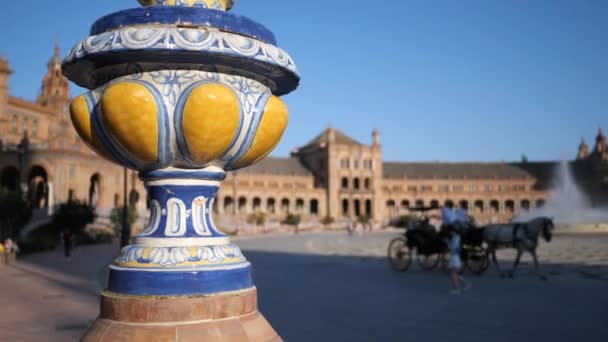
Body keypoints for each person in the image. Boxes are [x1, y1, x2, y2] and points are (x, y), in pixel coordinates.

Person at [445, 227, 471, 295]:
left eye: (451, 231)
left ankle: (457, 289)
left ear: (453, 231)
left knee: (453, 274)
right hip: (455, 257)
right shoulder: (457, 237)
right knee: (455, 273)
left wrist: (447, 242)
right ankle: (466, 284)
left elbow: (452, 248)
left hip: (454, 257)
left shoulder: (456, 238)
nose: (450, 233)